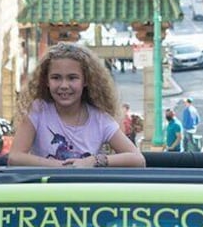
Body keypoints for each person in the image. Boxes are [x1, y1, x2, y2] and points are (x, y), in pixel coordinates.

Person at [8, 42, 145, 168]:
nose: (64, 86)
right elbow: (15, 157)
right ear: (46, 81)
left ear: (86, 80)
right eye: (56, 78)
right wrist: (58, 166)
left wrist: (94, 160)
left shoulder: (100, 119)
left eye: (72, 78)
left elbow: (138, 159)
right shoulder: (38, 110)